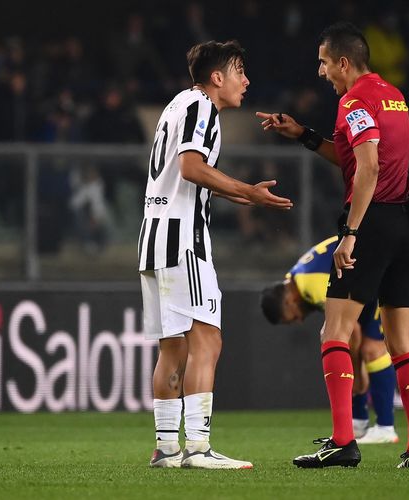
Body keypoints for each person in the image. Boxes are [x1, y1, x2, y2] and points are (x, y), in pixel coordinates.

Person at [257, 22, 409, 468]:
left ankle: (342, 441)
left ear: (343, 62)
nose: (320, 72)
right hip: (405, 226)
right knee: (401, 341)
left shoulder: (353, 100)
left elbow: (368, 168)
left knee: (333, 331)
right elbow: (355, 154)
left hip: (370, 224)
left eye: (322, 62)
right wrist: (304, 135)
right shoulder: (394, 96)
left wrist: (351, 232)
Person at [139, 40, 292, 469]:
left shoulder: (177, 105)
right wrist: (248, 193)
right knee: (208, 338)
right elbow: (190, 167)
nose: (246, 80)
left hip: (154, 237)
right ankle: (199, 449)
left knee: (173, 349)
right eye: (239, 70)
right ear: (217, 78)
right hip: (183, 239)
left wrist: (237, 196)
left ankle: (167, 450)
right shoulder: (202, 107)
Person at [260, 236, 409, 444]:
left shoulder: (311, 285)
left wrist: (359, 378)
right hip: (381, 277)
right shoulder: (296, 277)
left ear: (289, 301)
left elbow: (351, 332)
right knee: (356, 348)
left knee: (372, 348)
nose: (298, 321)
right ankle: (360, 422)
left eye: (291, 318)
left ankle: (385, 427)